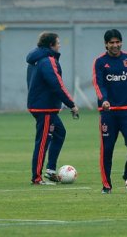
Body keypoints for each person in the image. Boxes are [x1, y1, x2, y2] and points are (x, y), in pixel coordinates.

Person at [92, 29, 127, 194]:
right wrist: (104, 100)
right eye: (112, 43)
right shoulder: (100, 62)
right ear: (106, 44)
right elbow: (98, 84)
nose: (115, 45)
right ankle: (106, 186)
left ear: (121, 42)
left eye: (117, 42)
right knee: (107, 150)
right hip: (109, 113)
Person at [27, 31, 79, 185]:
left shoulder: (36, 59)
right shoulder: (47, 60)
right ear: (51, 45)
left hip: (42, 106)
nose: (59, 45)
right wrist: (72, 104)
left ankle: (50, 170)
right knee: (43, 142)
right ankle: (36, 178)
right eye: (58, 43)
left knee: (60, 133)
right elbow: (57, 84)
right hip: (45, 109)